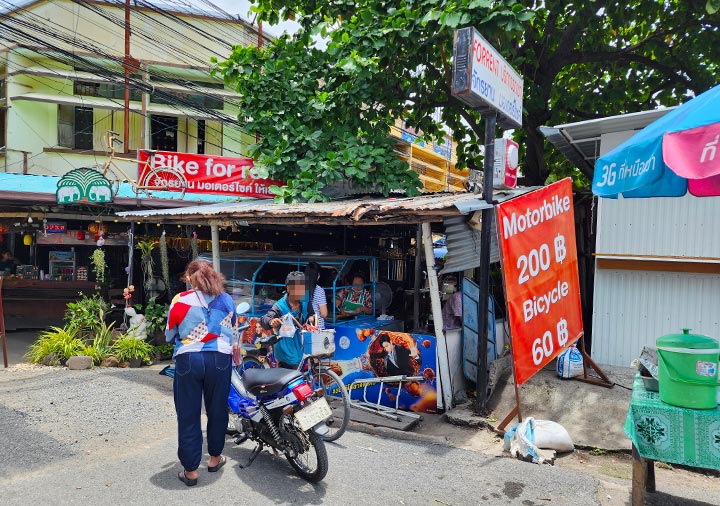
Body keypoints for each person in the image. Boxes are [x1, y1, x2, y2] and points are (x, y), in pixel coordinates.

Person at [165, 259, 236, 487]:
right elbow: (232, 332)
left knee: (188, 413)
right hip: (220, 360)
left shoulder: (180, 300)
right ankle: (214, 458)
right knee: (217, 410)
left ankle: (191, 471)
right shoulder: (227, 300)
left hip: (189, 359)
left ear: (190, 277)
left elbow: (169, 334)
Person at [261, 271, 316, 369]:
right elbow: (265, 319)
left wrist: (311, 319)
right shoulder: (280, 306)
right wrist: (271, 322)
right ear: (289, 288)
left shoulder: (305, 302)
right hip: (286, 353)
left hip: (302, 349)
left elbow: (311, 314)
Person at [305, 261, 328, 329]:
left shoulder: (299, 288)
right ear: (317, 275)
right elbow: (324, 314)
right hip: (317, 327)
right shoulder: (319, 290)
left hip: (303, 326)